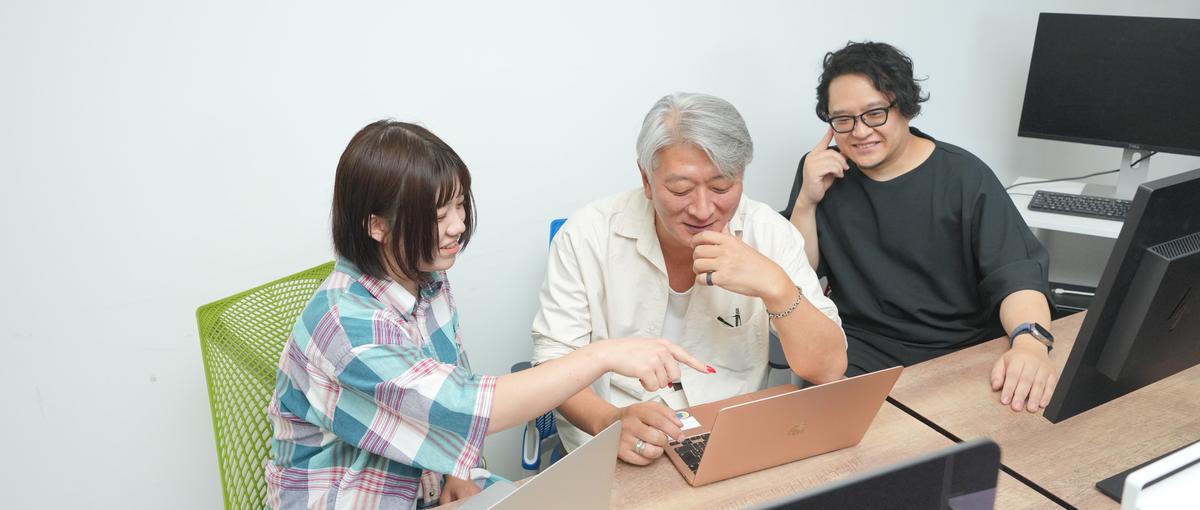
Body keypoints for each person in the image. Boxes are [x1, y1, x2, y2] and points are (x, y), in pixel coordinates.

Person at [265, 120, 709, 509]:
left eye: (459, 204)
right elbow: (463, 406)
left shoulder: (427, 279)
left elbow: (441, 393)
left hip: (427, 489)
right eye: (438, 214)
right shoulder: (346, 324)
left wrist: (458, 471)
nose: (458, 225)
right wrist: (603, 355)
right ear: (376, 225)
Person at [532, 92, 847, 465]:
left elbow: (829, 369)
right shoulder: (587, 234)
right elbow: (552, 363)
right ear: (647, 180)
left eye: (721, 187)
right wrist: (609, 422)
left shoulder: (769, 234)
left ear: (741, 176)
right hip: (616, 443)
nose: (702, 210)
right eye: (680, 190)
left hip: (731, 436)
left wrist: (775, 287)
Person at [783, 41, 1057, 414]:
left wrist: (1030, 343)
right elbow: (798, 275)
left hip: (961, 350)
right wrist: (806, 202)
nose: (859, 132)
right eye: (843, 119)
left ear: (905, 108)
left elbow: (1016, 276)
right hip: (862, 354)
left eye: (875, 114)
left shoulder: (963, 176)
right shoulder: (822, 172)